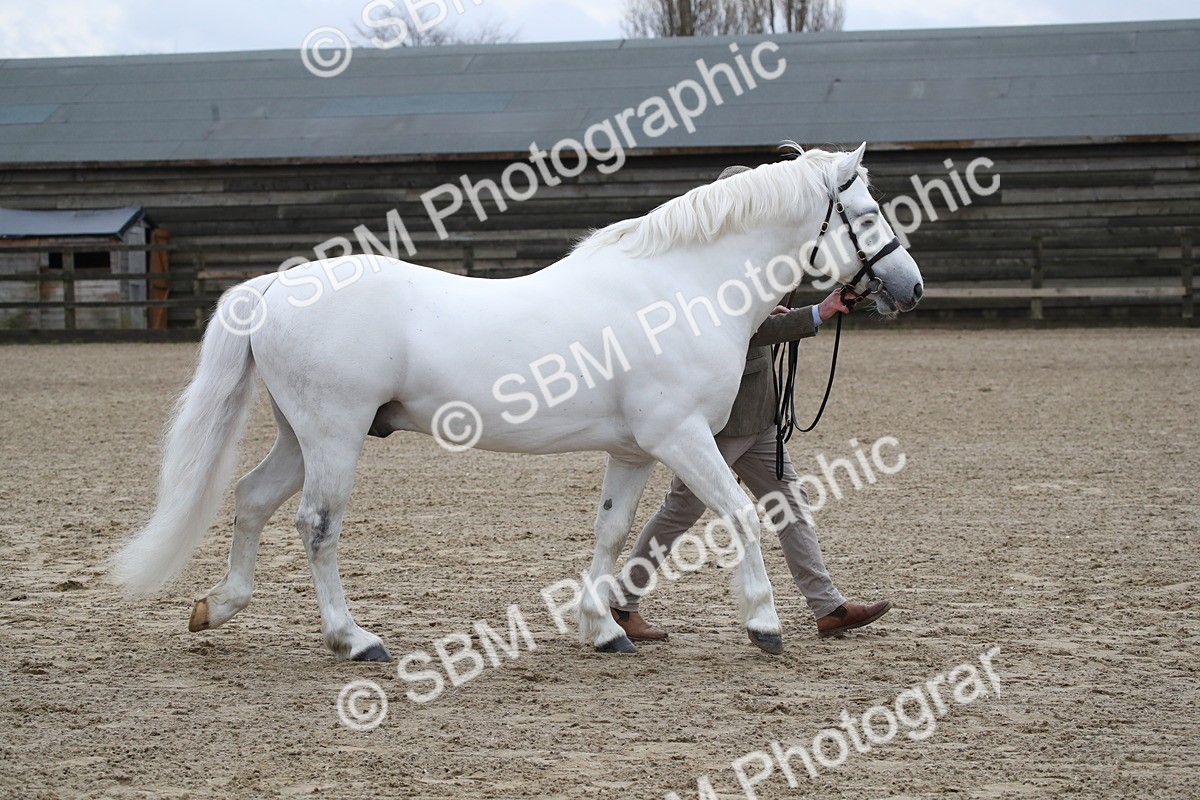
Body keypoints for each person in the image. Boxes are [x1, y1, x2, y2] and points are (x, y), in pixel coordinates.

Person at [609, 165, 892, 642]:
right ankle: (621, 601)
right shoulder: (712, 268)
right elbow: (748, 331)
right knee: (681, 510)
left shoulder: (760, 256)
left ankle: (828, 606)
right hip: (723, 414)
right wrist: (815, 314)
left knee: (789, 503)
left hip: (757, 412)